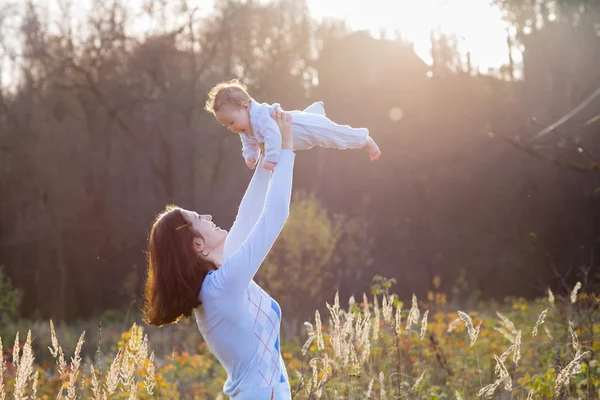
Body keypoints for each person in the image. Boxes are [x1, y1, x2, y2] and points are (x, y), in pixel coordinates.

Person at [143, 109, 296, 399]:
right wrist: (286, 150)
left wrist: (268, 155)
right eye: (199, 217)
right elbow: (274, 215)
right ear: (197, 245)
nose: (209, 215)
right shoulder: (220, 288)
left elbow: (248, 216)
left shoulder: (218, 280)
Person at [204, 78, 381, 171]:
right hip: (298, 136)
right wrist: (251, 155)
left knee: (334, 136)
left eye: (232, 122)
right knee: (310, 120)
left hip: (303, 129)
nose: (232, 129)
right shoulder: (244, 127)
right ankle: (316, 110)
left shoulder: (260, 117)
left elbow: (272, 135)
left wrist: (271, 159)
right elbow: (249, 144)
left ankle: (364, 139)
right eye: (227, 126)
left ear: (245, 107)